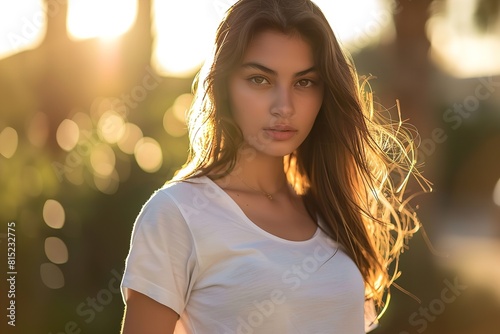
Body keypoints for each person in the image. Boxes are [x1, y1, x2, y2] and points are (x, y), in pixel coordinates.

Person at [120, 0, 429, 333]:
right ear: (223, 87)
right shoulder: (177, 214)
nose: (284, 106)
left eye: (304, 82)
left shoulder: (331, 209)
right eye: (259, 80)